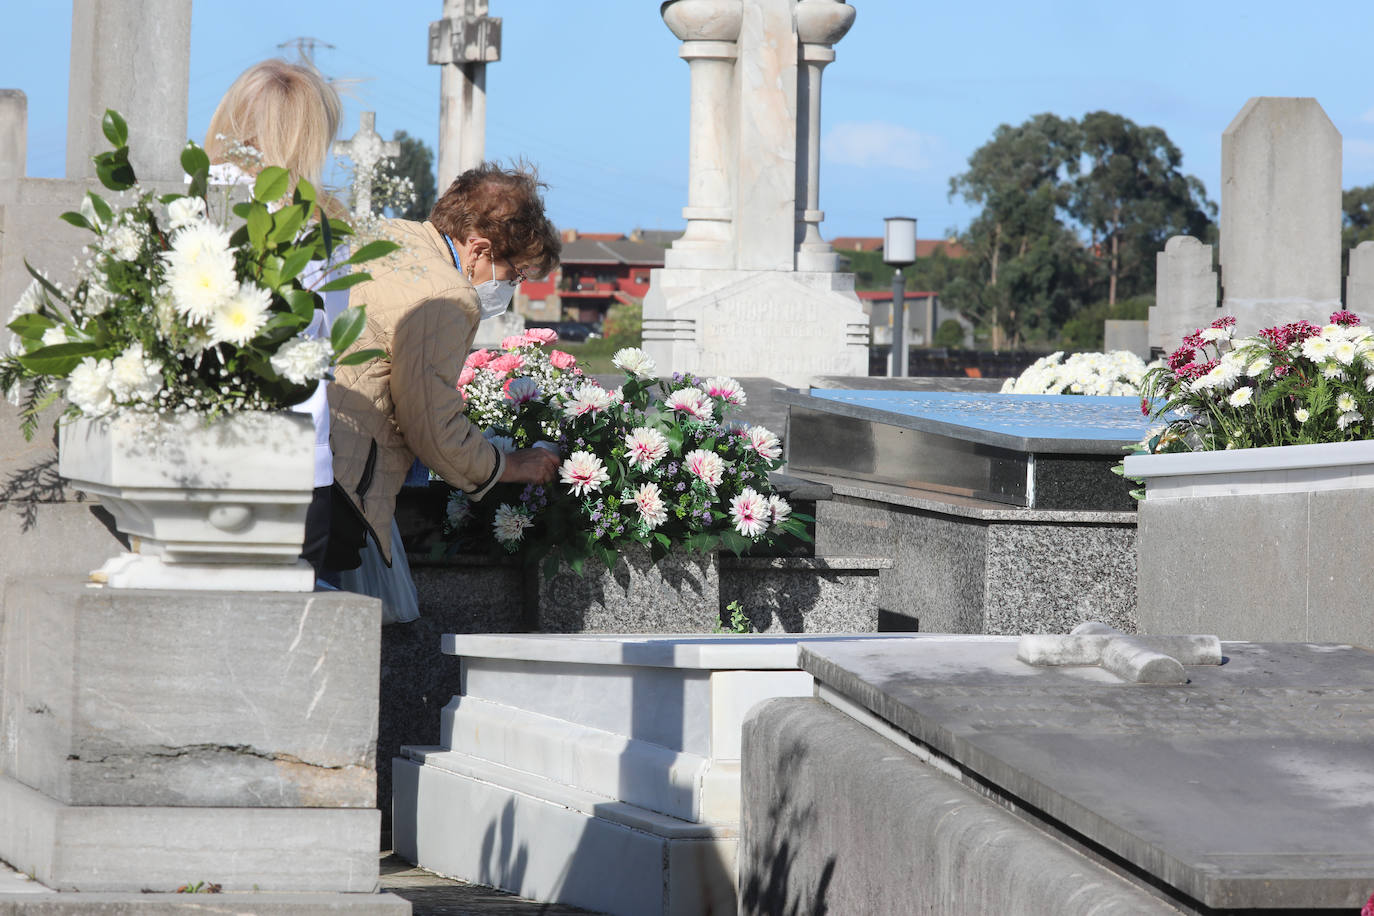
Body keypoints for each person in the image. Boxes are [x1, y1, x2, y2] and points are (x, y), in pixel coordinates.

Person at [325, 162, 563, 575]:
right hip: (342, 484)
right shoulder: (449, 295)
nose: (512, 287)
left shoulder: (389, 236)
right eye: (517, 274)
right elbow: (430, 424)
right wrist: (508, 465)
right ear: (479, 249)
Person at [204, 59, 346, 580]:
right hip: (296, 460)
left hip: (191, 453)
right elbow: (334, 337)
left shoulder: (188, 202)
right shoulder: (317, 227)